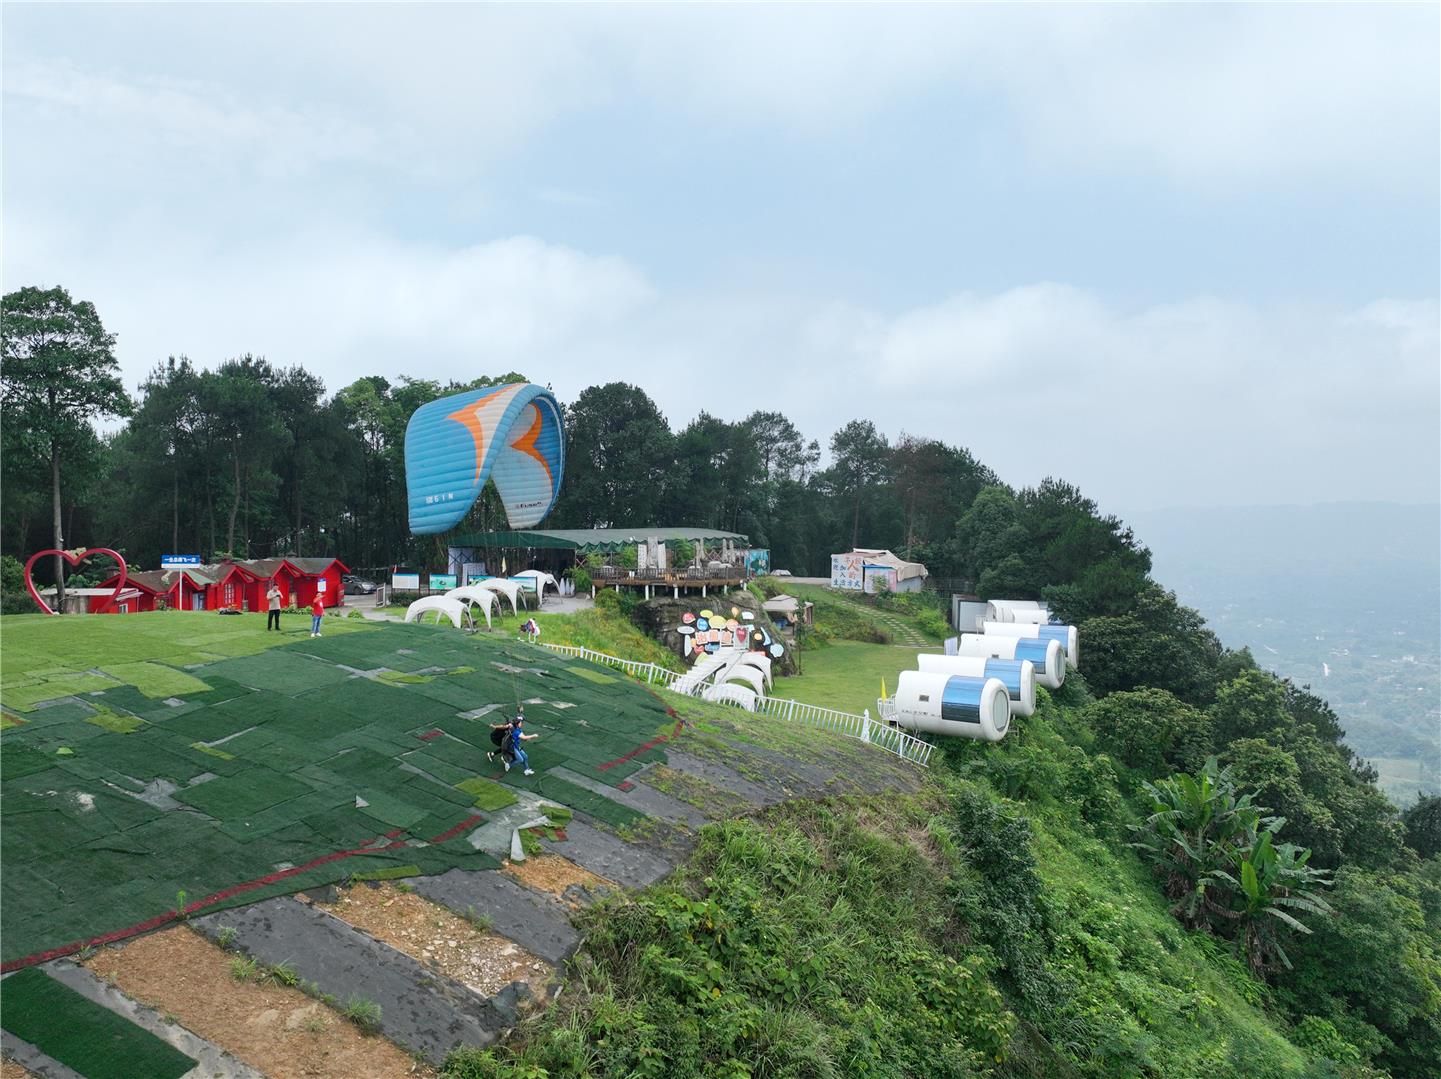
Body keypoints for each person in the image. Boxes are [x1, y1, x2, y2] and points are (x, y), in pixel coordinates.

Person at [507, 710, 539, 776]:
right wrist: (533, 735)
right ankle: (508, 764)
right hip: (512, 747)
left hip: (516, 745)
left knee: (525, 757)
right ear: (517, 723)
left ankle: (526, 770)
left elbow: (523, 737)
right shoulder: (516, 731)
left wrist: (528, 738)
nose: (522, 723)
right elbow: (524, 737)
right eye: (521, 722)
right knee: (520, 759)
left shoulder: (518, 729)